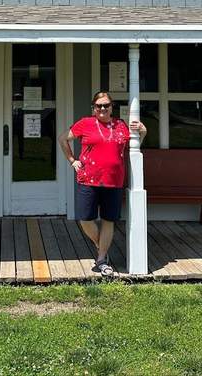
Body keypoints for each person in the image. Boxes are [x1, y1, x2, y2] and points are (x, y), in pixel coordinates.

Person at [58, 91, 146, 276]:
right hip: (88, 179)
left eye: (106, 105)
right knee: (85, 218)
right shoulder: (86, 123)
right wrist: (73, 161)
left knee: (108, 220)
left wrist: (143, 132)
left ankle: (101, 259)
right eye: (99, 106)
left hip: (114, 181)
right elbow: (63, 139)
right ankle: (101, 246)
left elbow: (132, 146)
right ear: (94, 108)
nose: (103, 109)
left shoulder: (121, 126)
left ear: (112, 107)